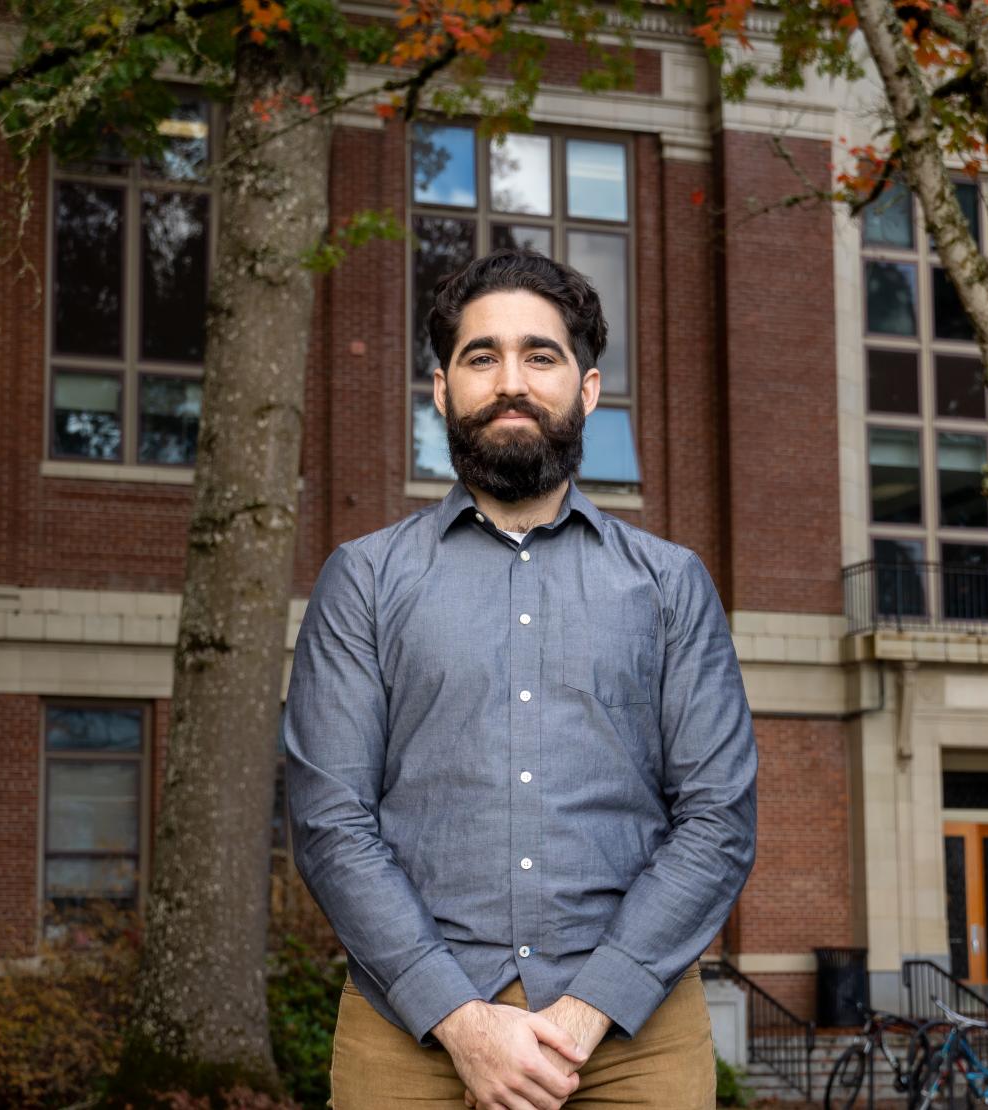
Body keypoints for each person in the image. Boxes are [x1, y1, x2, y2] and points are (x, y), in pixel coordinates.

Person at [283, 249, 757, 1110]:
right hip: (409, 1034)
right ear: (440, 389)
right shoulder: (364, 579)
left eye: (540, 356)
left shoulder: (669, 585)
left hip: (632, 1039)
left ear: (587, 389)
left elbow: (718, 819)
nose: (511, 381)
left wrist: (585, 1014)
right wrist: (460, 1019)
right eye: (481, 356)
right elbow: (329, 820)